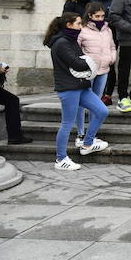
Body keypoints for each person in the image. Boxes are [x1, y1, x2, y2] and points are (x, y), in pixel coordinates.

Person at [44, 13, 109, 170]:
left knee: (102, 111)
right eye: (79, 24)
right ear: (69, 24)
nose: (81, 26)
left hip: (81, 86)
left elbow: (81, 60)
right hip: (68, 88)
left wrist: (86, 60)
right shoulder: (61, 43)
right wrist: (89, 61)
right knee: (67, 123)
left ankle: (87, 144)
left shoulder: (71, 40)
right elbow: (78, 63)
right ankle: (60, 159)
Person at [0, 17, 31, 144]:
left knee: (13, 100)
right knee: (12, 100)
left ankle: (15, 136)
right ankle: (14, 136)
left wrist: (3, 65)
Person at [76, 3, 116, 145]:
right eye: (97, 16)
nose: (100, 19)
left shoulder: (107, 30)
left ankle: (92, 134)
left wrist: (112, 57)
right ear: (90, 16)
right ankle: (80, 134)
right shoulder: (82, 30)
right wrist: (83, 62)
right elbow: (77, 49)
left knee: (96, 103)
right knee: (81, 103)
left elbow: (112, 46)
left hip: (103, 69)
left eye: (102, 16)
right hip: (87, 71)